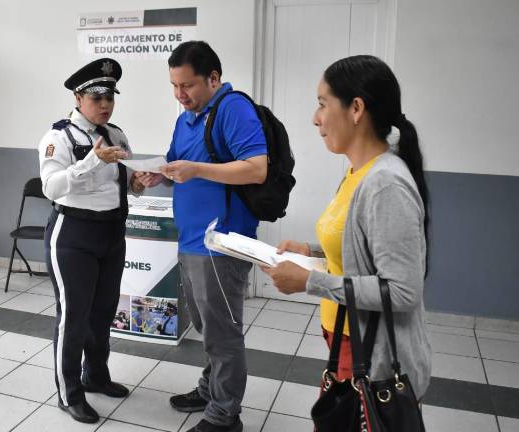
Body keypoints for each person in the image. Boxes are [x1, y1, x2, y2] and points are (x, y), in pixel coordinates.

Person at [262, 55, 432, 399]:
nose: (315, 118)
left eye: (323, 104)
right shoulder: (357, 172)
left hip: (371, 351)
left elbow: (401, 291)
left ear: (356, 109)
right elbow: (360, 247)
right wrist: (310, 251)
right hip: (345, 334)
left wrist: (310, 282)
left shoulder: (385, 184)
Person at [136, 41, 268, 432]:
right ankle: (210, 389)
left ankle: (225, 415)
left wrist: (197, 169)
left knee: (222, 333)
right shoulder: (186, 118)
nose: (180, 95)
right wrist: (157, 175)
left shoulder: (233, 109)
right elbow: (179, 165)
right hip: (191, 238)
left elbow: (256, 168)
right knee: (206, 326)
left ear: (214, 78)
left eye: (188, 85)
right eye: (175, 86)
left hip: (223, 243)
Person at [39, 57, 143, 424]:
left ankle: (96, 376)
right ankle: (69, 394)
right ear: (78, 96)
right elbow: (51, 186)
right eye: (97, 97)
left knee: (102, 313)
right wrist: (92, 162)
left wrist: (136, 183)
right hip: (73, 237)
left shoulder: (116, 134)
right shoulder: (59, 137)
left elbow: (122, 181)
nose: (105, 104)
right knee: (73, 316)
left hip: (112, 233)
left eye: (110, 97)